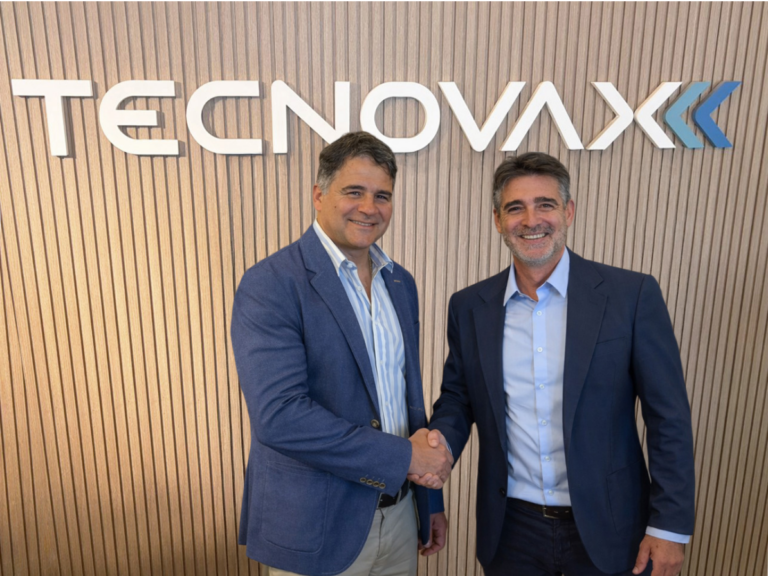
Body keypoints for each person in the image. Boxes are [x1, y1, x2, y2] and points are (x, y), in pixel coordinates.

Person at [419, 153, 695, 576]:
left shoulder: (630, 296)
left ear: (568, 211)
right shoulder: (470, 306)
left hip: (612, 527)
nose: (531, 220)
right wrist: (437, 449)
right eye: (515, 208)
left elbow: (668, 417)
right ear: (498, 220)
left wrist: (669, 526)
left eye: (545, 204)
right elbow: (458, 399)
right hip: (511, 532)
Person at [231, 132, 450, 576]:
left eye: (382, 195)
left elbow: (406, 402)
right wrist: (404, 458)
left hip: (401, 517)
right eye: (354, 192)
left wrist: (430, 500)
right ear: (319, 195)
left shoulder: (400, 282)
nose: (369, 207)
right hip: (315, 527)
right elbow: (279, 416)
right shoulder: (271, 283)